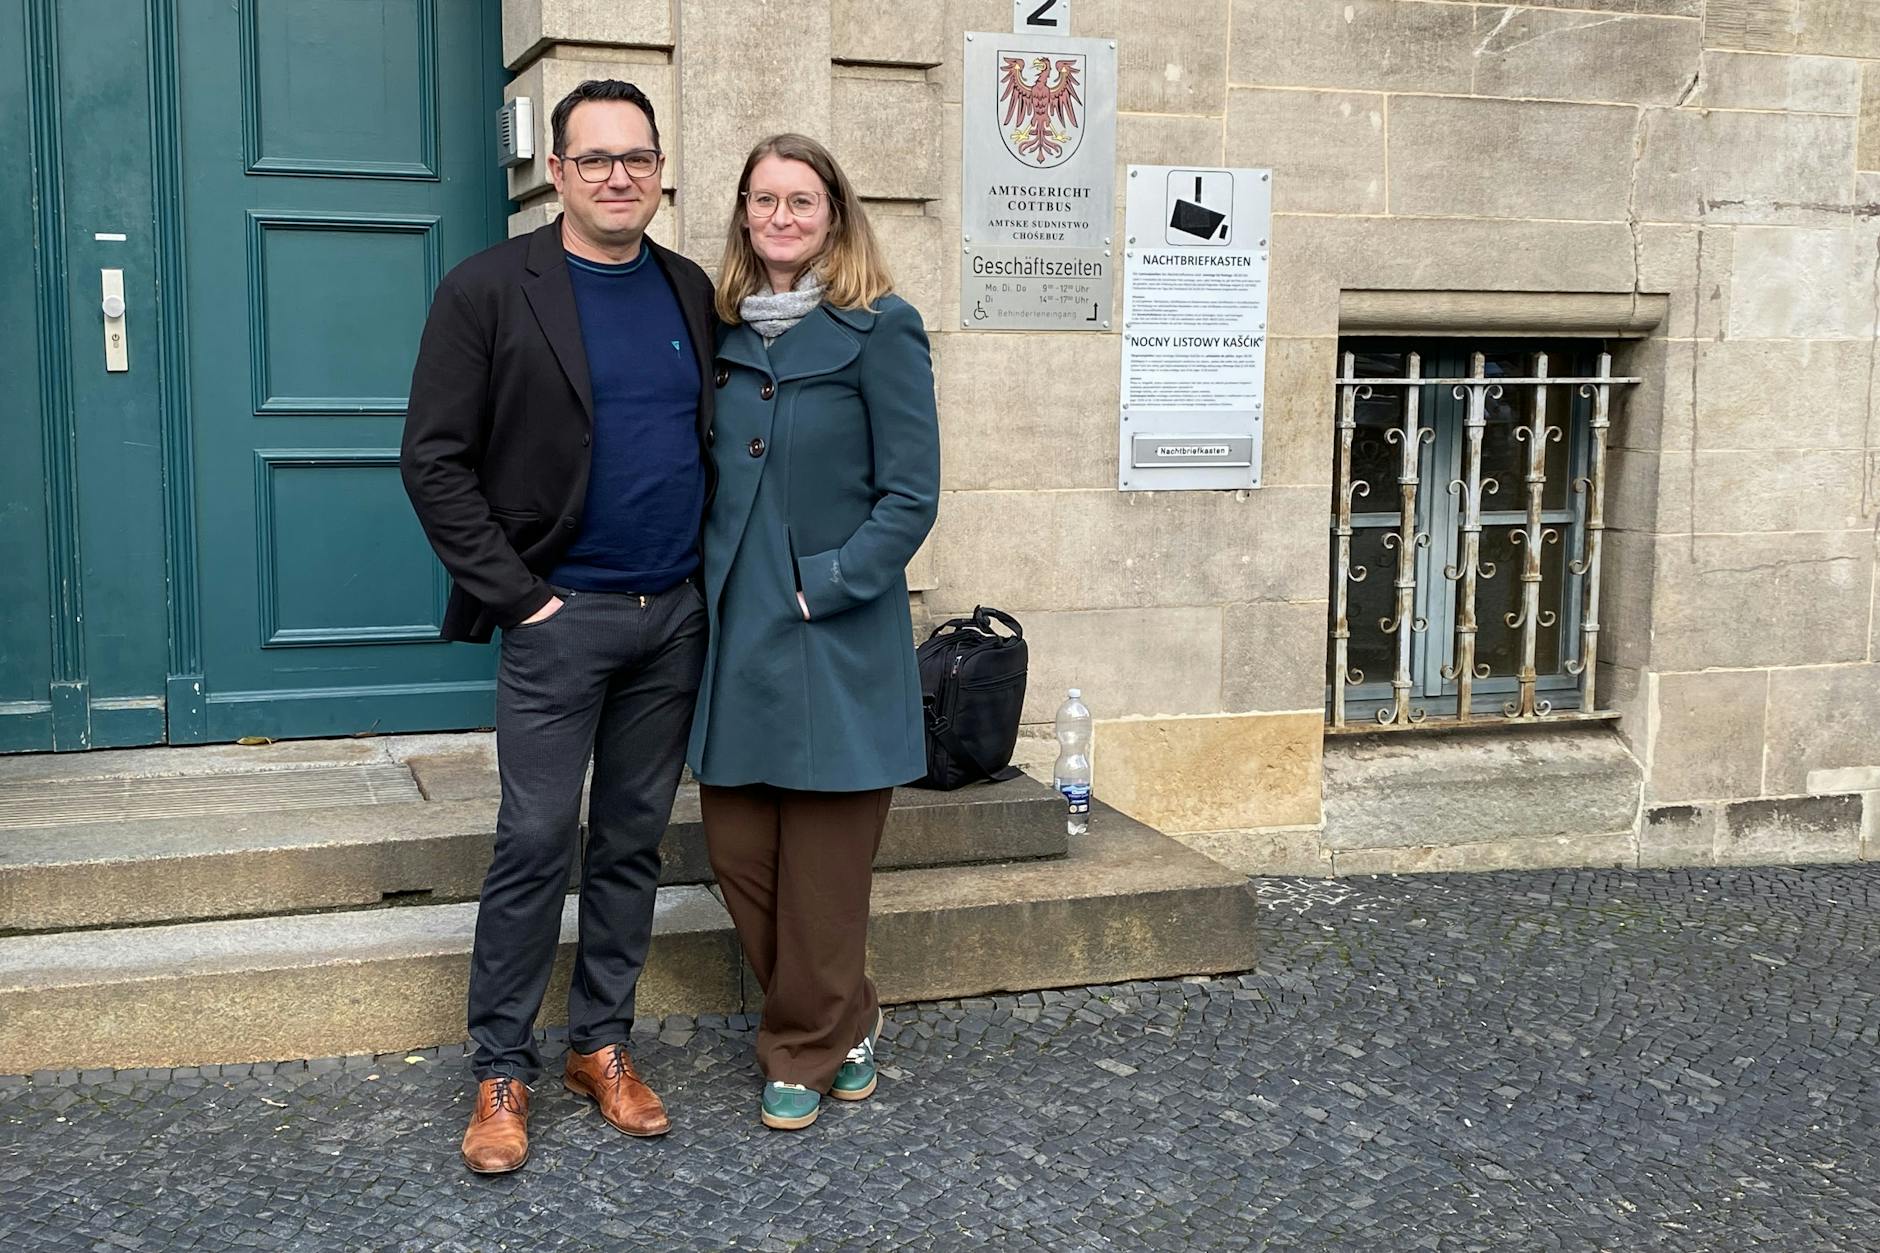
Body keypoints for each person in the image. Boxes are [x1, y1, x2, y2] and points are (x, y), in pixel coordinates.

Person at [400, 80, 714, 1174]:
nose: (618, 177)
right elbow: (432, 460)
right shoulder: (489, 288)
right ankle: (501, 1066)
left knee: (631, 837)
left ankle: (600, 1044)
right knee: (535, 838)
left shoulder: (687, 288)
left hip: (671, 617)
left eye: (638, 158)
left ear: (660, 170)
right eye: (595, 159)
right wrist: (522, 596)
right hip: (560, 618)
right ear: (556, 172)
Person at [688, 134, 941, 1130]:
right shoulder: (718, 332)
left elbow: (910, 494)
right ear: (743, 214)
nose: (780, 216)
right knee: (739, 853)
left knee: (826, 877)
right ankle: (850, 1015)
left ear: (834, 212)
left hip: (832, 637)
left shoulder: (882, 328)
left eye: (800, 199)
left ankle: (799, 1047)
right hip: (737, 640)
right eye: (764, 200)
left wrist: (827, 583)